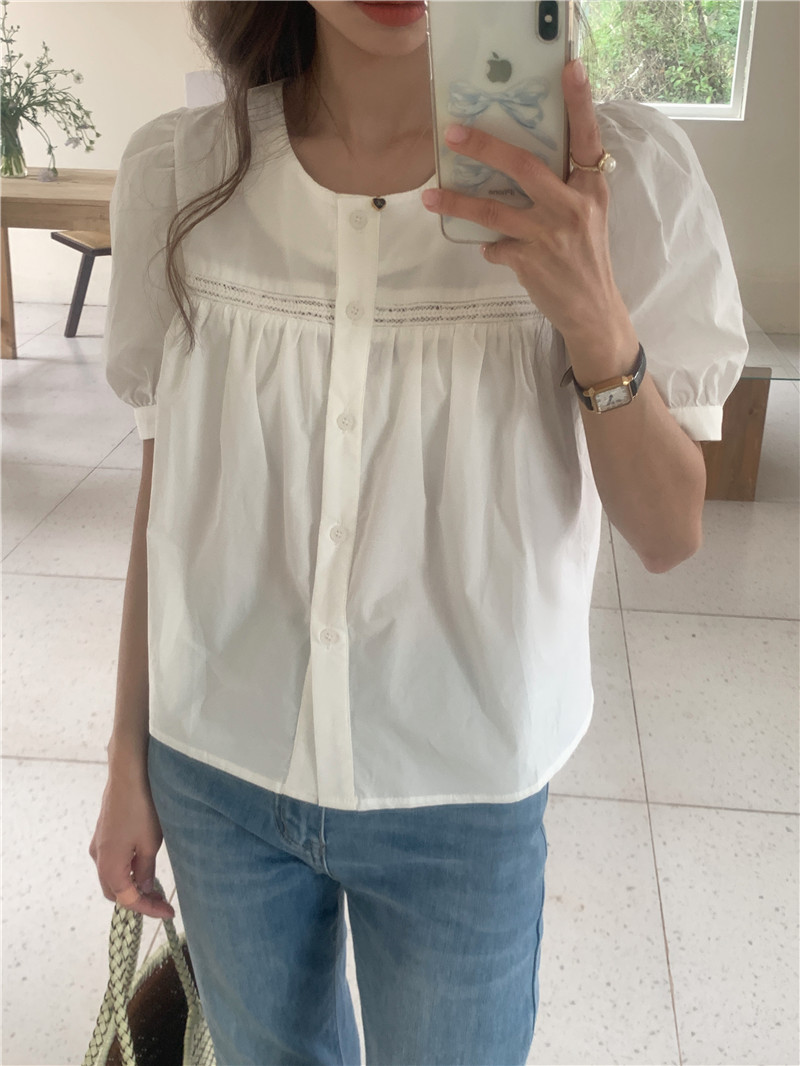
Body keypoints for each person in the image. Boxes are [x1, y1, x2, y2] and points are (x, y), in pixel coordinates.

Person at [89, 2, 748, 1063]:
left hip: (462, 794)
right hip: (217, 770)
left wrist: (594, 319)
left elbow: (669, 531)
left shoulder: (620, 178)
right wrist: (128, 757)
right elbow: (169, 496)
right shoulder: (184, 171)